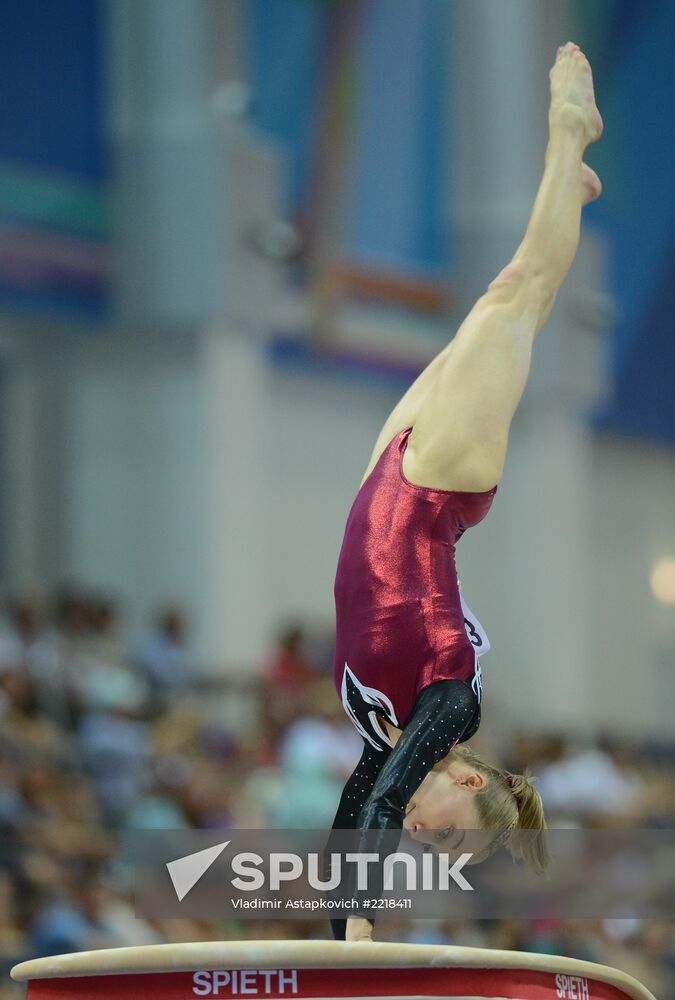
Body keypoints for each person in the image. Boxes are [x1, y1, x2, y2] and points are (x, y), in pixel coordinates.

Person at [326, 43, 603, 942]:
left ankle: (572, 189)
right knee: (519, 291)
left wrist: (337, 943)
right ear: (470, 782)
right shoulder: (451, 708)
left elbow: (348, 833)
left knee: (497, 300)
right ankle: (569, 135)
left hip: (388, 474)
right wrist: (366, 931)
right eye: (451, 845)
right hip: (436, 488)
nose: (431, 849)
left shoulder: (382, 734)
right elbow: (385, 810)